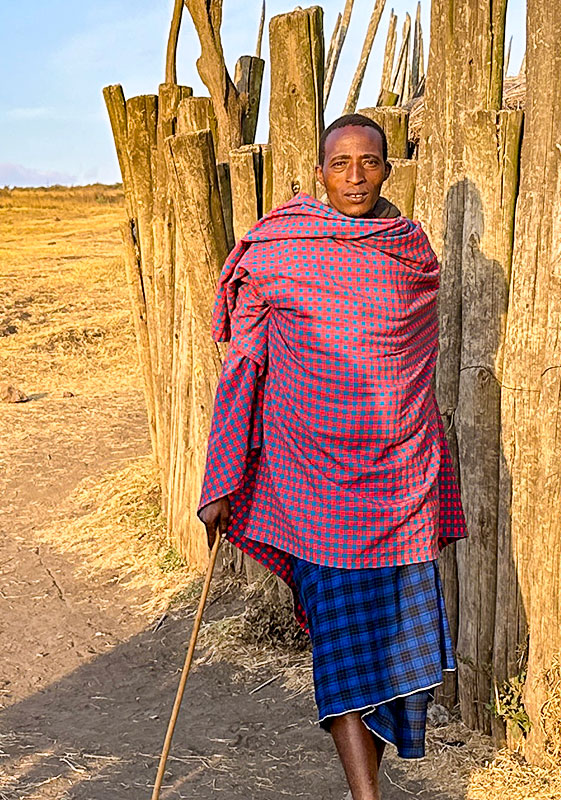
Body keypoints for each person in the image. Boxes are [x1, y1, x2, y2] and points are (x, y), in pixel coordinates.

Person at [196, 114, 464, 800]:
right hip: (313, 487)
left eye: (369, 163)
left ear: (387, 168)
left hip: (399, 480)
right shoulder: (281, 248)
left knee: (396, 647)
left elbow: (411, 362)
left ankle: (367, 784)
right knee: (342, 652)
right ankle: (364, 795)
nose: (354, 177)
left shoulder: (407, 251)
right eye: (340, 164)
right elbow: (246, 362)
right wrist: (221, 475)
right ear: (319, 172)